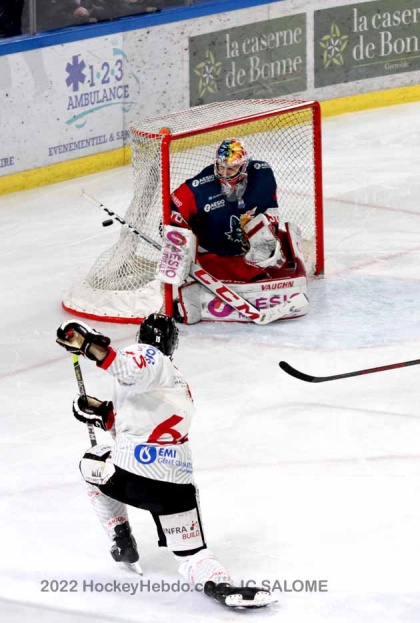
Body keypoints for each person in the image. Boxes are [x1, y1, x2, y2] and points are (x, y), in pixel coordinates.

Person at [55, 314, 273, 609]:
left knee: (90, 461)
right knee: (192, 555)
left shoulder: (148, 355)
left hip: (133, 475)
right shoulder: (178, 382)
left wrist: (87, 344)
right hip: (177, 486)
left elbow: (127, 368)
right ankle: (222, 586)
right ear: (174, 344)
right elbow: (142, 421)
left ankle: (121, 538)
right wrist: (104, 414)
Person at [165, 137, 308, 323]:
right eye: (220, 167)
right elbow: (173, 209)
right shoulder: (200, 186)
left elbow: (271, 211)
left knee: (263, 229)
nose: (224, 174)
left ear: (244, 166)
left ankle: (261, 268)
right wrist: (175, 232)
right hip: (214, 254)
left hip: (249, 251)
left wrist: (266, 241)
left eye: (231, 168)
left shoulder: (261, 176)